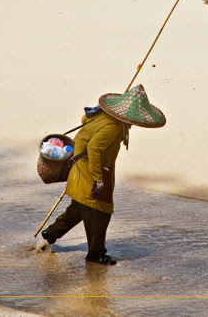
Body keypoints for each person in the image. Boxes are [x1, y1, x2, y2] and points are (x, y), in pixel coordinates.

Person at [41, 84, 166, 265]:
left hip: (79, 168)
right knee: (100, 211)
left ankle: (50, 234)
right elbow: (94, 148)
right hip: (87, 170)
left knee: (78, 209)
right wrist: (97, 179)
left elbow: (85, 119)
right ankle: (96, 253)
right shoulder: (114, 126)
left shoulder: (103, 115)